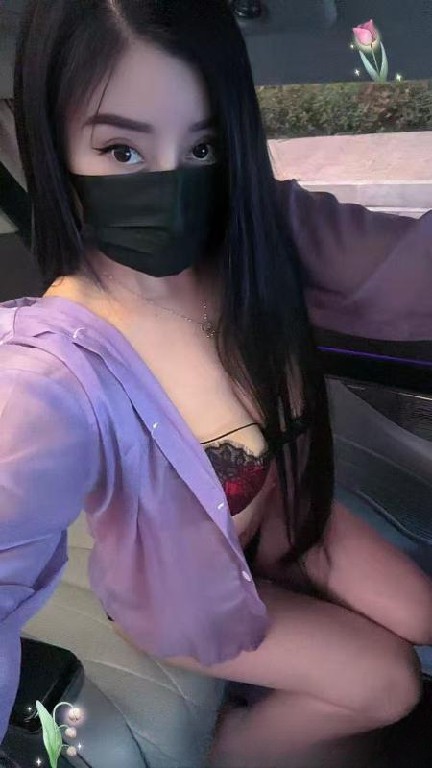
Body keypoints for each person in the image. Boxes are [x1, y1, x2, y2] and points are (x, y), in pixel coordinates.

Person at [0, 1, 431, 766]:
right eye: (122, 150)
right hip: (182, 595)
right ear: (52, 144)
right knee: (387, 682)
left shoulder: (256, 236)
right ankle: (235, 749)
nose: (169, 181)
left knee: (423, 615)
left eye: (201, 146)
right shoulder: (54, 368)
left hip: (287, 518)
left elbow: (407, 269)